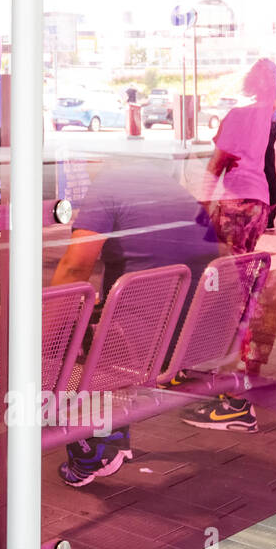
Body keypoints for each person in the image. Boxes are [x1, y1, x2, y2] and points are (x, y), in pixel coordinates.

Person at [50, 153, 218, 486]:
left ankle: (95, 447)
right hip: (194, 337)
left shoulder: (109, 186)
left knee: (64, 334)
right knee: (107, 318)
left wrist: (44, 329)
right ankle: (112, 432)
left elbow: (75, 265)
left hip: (143, 342)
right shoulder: (173, 188)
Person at [180, 58, 276, 432]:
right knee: (242, 286)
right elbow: (269, 166)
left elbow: (215, 165)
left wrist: (202, 208)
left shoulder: (240, 115)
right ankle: (241, 372)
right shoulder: (270, 116)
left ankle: (232, 392)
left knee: (228, 293)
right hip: (258, 202)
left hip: (236, 202)